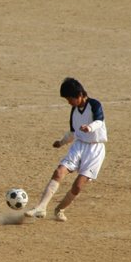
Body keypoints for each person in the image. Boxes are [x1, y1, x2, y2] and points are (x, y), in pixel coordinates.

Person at [24, 77, 107, 221]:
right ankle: (41, 207)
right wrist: (61, 142)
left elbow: (99, 121)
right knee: (59, 172)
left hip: (95, 149)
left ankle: (59, 209)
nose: (69, 102)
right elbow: (73, 133)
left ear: (80, 95)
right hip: (79, 145)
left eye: (70, 99)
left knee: (78, 185)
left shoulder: (94, 104)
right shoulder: (74, 110)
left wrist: (89, 127)